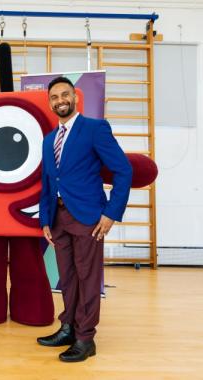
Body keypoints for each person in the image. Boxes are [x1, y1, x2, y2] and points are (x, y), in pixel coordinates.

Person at [38, 77, 132, 362]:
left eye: (65, 95)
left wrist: (111, 213)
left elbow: (123, 170)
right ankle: (68, 327)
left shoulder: (95, 129)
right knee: (67, 278)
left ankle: (85, 338)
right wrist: (45, 219)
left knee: (88, 278)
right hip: (58, 218)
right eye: (54, 97)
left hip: (89, 217)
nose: (60, 100)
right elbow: (47, 182)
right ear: (50, 102)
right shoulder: (48, 139)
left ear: (75, 98)